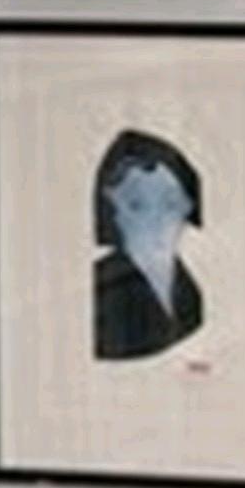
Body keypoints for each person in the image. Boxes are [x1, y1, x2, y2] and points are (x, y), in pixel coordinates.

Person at [92, 126, 203, 362]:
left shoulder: (192, 291)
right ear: (112, 211)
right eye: (137, 206)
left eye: (170, 205)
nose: (156, 224)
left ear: (187, 209)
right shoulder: (98, 294)